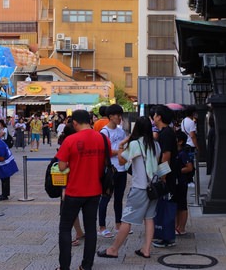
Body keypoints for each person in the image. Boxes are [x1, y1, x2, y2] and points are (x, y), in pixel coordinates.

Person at [97, 116, 161, 259]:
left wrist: (121, 145)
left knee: (127, 220)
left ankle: (113, 249)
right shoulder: (156, 145)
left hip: (139, 188)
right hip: (153, 188)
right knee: (149, 218)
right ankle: (146, 249)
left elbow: (121, 160)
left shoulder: (136, 144)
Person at [55, 110, 106, 270]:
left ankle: (64, 267)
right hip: (94, 191)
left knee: (65, 228)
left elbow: (62, 166)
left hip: (74, 191)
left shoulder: (70, 139)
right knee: (91, 229)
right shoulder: (102, 138)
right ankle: (86, 265)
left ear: (75, 123)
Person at [98, 104, 127, 238]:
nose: (119, 118)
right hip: (110, 170)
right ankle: (102, 226)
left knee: (119, 198)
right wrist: (119, 151)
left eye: (120, 115)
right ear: (110, 117)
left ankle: (118, 224)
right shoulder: (104, 132)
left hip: (122, 168)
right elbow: (105, 152)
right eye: (117, 115)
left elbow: (124, 147)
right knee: (106, 197)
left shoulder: (121, 131)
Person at [152, 104, 179, 248]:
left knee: (166, 205)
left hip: (167, 175)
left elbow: (166, 156)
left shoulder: (166, 133)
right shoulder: (164, 132)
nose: (154, 117)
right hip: (168, 173)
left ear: (159, 117)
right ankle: (164, 235)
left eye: (155, 115)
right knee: (163, 205)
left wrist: (162, 176)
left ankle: (167, 237)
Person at [0, 126, 19, 201]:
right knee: (4, 178)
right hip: (5, 161)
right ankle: (5, 194)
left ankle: (4, 195)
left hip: (5, 162)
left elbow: (2, 156)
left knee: (5, 178)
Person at [174, 130, 193, 236]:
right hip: (177, 182)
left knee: (182, 205)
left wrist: (177, 170)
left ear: (180, 141)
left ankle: (181, 227)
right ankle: (177, 226)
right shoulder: (177, 152)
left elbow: (189, 168)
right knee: (178, 205)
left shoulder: (183, 154)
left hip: (182, 182)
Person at [181, 106, 198, 186]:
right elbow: (193, 136)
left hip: (185, 144)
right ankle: (190, 180)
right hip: (191, 145)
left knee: (186, 163)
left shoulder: (183, 121)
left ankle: (188, 179)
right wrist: (197, 146)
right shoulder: (191, 122)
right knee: (191, 163)